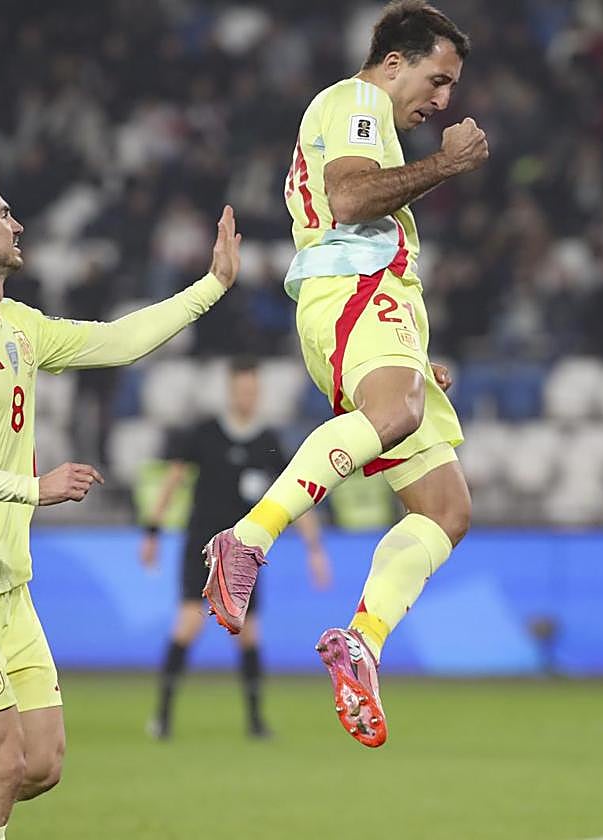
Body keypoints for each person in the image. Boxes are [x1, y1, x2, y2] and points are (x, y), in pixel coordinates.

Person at [0, 171, 241, 840]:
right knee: (0, 768)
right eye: (5, 215)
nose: (19, 225)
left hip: (5, 582)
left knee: (39, 763)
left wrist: (210, 288)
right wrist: (36, 489)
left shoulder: (19, 326)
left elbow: (117, 343)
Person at [199, 0, 487, 748]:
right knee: (394, 414)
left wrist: (414, 360)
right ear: (394, 63)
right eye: (438, 78)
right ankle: (250, 540)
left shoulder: (367, 116)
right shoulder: (357, 99)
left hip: (373, 303)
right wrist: (448, 165)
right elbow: (351, 198)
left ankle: (363, 639)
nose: (443, 99)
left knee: (446, 510)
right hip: (357, 292)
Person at [139, 358, 331, 740]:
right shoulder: (205, 434)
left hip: (244, 553)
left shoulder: (267, 442)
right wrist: (152, 531)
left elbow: (295, 494)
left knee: (249, 634)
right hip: (202, 547)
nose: (248, 397)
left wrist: (315, 548)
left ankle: (256, 722)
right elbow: (173, 481)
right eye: (242, 390)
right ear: (231, 392)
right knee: (189, 625)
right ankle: (162, 716)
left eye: (253, 391)